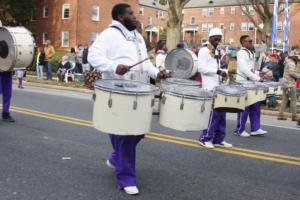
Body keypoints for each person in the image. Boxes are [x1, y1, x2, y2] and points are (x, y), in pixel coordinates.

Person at [87, 3, 169, 195]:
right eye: (131, 14)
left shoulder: (137, 36)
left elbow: (146, 64)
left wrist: (158, 73)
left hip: (139, 90)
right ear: (120, 17)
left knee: (137, 132)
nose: (135, 16)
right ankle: (126, 179)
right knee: (127, 134)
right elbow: (93, 56)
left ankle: (117, 158)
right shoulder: (109, 34)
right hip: (118, 91)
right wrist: (114, 66)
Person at [197, 28, 232, 149]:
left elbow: (216, 68)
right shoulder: (203, 50)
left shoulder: (215, 50)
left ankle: (219, 139)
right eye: (216, 37)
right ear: (210, 37)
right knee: (213, 115)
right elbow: (201, 68)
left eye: (220, 38)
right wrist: (218, 71)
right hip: (209, 87)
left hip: (218, 87)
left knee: (222, 114)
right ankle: (204, 138)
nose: (218, 40)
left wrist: (227, 72)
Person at [235, 35, 267, 137]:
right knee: (244, 107)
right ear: (244, 42)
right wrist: (257, 78)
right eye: (249, 41)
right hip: (243, 83)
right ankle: (240, 129)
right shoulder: (241, 53)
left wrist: (259, 74)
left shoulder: (251, 52)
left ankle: (255, 128)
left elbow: (251, 70)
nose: (251, 43)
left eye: (251, 41)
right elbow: (244, 69)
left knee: (255, 106)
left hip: (251, 83)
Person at [277, 49, 300, 121]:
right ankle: (294, 116)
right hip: (290, 84)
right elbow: (291, 72)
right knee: (293, 100)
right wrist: (299, 76)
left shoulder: (287, 62)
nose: (298, 59)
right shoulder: (292, 63)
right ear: (294, 57)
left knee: (285, 99)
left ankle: (280, 115)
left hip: (285, 83)